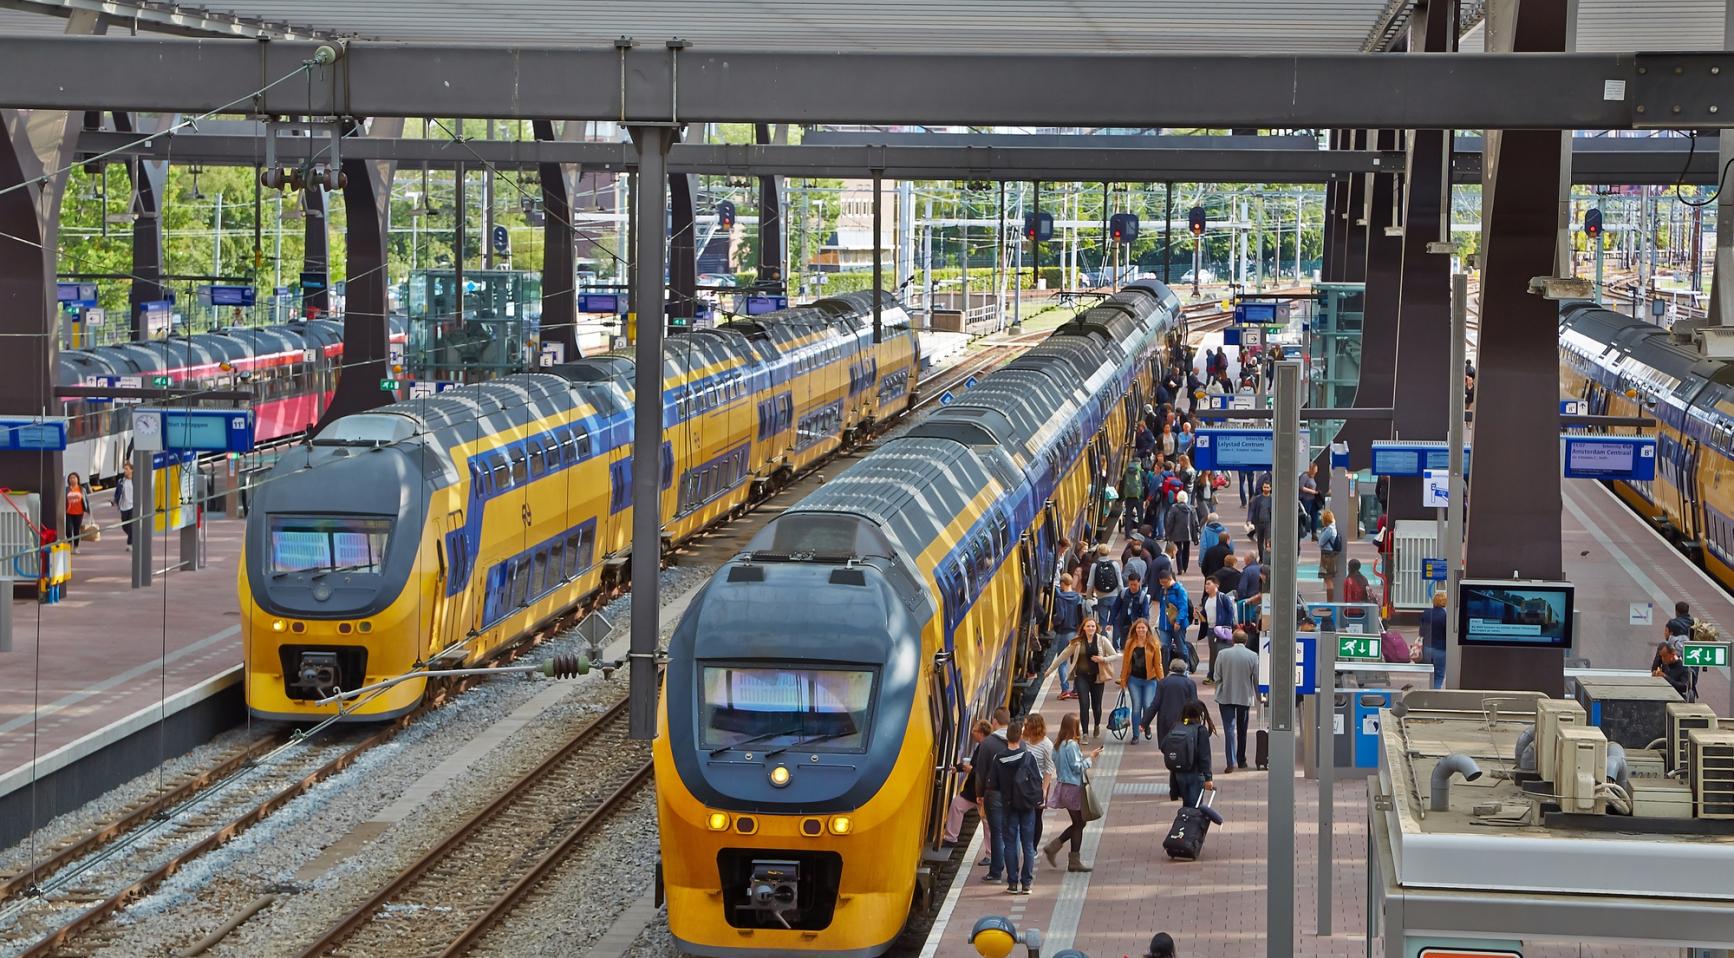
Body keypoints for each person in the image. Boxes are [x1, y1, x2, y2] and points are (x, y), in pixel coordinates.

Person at [1042, 713, 1103, 872]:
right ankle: (1070, 858)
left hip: (1063, 787)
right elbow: (1077, 767)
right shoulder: (1072, 745)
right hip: (1073, 788)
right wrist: (1091, 758)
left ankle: (1055, 848)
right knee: (1079, 823)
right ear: (1074, 727)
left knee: (1079, 823)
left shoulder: (1058, 745)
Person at [987, 718, 1039, 895]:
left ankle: (1012, 883)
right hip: (1026, 806)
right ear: (1020, 737)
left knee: (1009, 844)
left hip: (1008, 806)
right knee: (1028, 845)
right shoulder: (1028, 757)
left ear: (1007, 737)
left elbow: (993, 784)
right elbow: (1037, 780)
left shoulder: (998, 758)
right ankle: (1026, 884)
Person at [1046, 619, 1116, 742]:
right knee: (1084, 705)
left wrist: (1103, 659)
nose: (1090, 628)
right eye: (1088, 626)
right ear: (1083, 628)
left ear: (1096, 628)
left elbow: (1115, 655)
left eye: (1093, 626)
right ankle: (1085, 733)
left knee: (1097, 706)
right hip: (1081, 677)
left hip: (1097, 678)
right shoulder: (1077, 642)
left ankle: (1097, 725)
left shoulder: (1102, 640)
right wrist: (1050, 670)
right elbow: (1063, 655)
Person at [971, 708, 1012, 880]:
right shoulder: (1019, 741)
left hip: (993, 794)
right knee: (1012, 833)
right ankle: (1013, 872)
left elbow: (980, 772)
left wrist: (979, 794)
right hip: (1013, 794)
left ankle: (996, 872)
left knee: (997, 833)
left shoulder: (987, 744)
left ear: (995, 721)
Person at [1213, 629, 1259, 771]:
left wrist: (1221, 686)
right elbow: (1256, 679)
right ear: (1246, 641)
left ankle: (1230, 761)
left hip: (1225, 695)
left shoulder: (1222, 654)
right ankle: (1241, 760)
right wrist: (1259, 696)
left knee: (1229, 729)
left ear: (1232, 640)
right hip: (1244, 696)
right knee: (1242, 729)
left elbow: (1216, 676)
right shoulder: (1253, 656)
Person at [943, 721, 992, 845]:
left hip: (981, 791)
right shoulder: (983, 746)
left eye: (974, 730)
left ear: (981, 733)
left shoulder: (986, 748)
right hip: (975, 791)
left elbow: (985, 770)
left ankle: (990, 853)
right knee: (957, 806)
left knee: (987, 822)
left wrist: (971, 770)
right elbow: (973, 763)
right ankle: (950, 838)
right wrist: (958, 768)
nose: (972, 732)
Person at [1118, 618, 1166, 744]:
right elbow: (1126, 663)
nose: (1140, 630)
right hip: (1134, 680)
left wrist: (1162, 682)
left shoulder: (1154, 644)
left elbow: (1158, 664)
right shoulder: (1130, 643)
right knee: (1136, 707)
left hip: (1150, 680)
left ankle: (1146, 725)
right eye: (1138, 628)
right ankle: (1136, 735)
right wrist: (1123, 679)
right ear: (1135, 629)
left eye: (1143, 628)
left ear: (1147, 629)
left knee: (1148, 706)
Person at [1168, 700, 1217, 807]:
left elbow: (1165, 746)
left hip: (1179, 774)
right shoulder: (1200, 730)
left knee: (1186, 804)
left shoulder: (1177, 727)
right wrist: (1208, 778)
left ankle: (1185, 817)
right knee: (1195, 807)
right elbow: (1204, 756)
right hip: (1196, 774)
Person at [1023, 713, 1055, 853]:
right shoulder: (1024, 739)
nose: (1025, 729)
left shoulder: (1047, 745)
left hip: (1038, 785)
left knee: (1036, 816)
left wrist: (1044, 790)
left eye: (1027, 726)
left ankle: (1033, 847)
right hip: (1023, 784)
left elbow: (1049, 769)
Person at [1051, 574, 1085, 699]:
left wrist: (1053, 621)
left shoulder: (1060, 598)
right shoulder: (1078, 597)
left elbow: (1061, 616)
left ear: (1062, 584)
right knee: (1075, 662)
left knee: (1062, 662)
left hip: (1064, 633)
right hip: (1076, 633)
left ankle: (1065, 690)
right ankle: (1076, 690)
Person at [1195, 576, 1236, 676]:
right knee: (1213, 653)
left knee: (1221, 652)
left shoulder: (1222, 597)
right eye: (1206, 584)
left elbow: (1231, 612)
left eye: (1209, 584)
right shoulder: (1206, 599)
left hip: (1221, 630)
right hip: (1210, 630)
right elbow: (1205, 615)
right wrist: (1198, 614)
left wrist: (1225, 627)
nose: (1206, 586)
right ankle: (1212, 674)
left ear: (1216, 585)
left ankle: (1220, 674)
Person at [1153, 569, 1192, 670]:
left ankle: (1185, 669)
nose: (1163, 585)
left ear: (1170, 579)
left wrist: (1178, 621)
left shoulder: (1180, 590)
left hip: (1177, 624)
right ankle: (1165, 670)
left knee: (1181, 648)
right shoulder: (1163, 590)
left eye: (1164, 582)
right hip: (1164, 624)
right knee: (1164, 648)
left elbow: (1183, 608)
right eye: (1161, 583)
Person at [1110, 573, 1152, 650]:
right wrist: (1110, 622)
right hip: (1122, 621)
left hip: (1135, 624)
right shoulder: (1123, 593)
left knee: (1133, 644)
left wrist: (1145, 626)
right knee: (1120, 644)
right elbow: (1115, 607)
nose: (1133, 587)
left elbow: (1145, 613)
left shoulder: (1143, 596)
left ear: (1139, 583)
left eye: (1135, 585)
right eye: (1131, 584)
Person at [1419, 590, 1449, 688]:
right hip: (1440, 649)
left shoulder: (1426, 613)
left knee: (1431, 673)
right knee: (1439, 675)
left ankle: (1431, 690)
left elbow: (1421, 632)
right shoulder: (1445, 615)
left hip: (1427, 649)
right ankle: (1434, 693)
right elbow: (1448, 634)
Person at [1165, 491, 1198, 575]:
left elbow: (1169, 522)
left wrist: (1168, 533)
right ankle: (1185, 566)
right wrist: (1196, 533)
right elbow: (1195, 522)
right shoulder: (1191, 509)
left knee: (1178, 550)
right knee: (1187, 549)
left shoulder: (1174, 508)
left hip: (1176, 533)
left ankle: (1180, 568)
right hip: (1188, 532)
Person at [1087, 543, 1123, 622]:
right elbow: (1120, 583)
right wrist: (1121, 595)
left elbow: (1090, 583)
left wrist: (1089, 596)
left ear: (1098, 552)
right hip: (1114, 595)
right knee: (1115, 620)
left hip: (1101, 596)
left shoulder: (1094, 565)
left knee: (1102, 621)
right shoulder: (1114, 564)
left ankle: (1103, 630)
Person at [1317, 509, 1345, 602]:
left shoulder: (1329, 529)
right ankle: (1329, 603)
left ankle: (1329, 604)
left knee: (1328, 580)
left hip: (1327, 556)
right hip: (1330, 555)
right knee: (1328, 580)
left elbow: (1321, 542)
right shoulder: (1333, 528)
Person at [1248, 479, 1274, 563]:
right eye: (1264, 487)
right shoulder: (1258, 498)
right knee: (1260, 541)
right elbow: (1252, 509)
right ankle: (1262, 558)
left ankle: (1267, 559)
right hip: (1258, 523)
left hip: (1268, 523)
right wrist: (1249, 520)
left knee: (1268, 541)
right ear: (1262, 488)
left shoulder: (1272, 499)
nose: (1266, 489)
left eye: (1267, 487)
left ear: (1270, 488)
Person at [114, 461, 136, 549]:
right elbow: (117, 493)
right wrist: (114, 501)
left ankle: (130, 544)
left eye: (127, 469)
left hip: (133, 506)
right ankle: (134, 537)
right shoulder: (121, 481)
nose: (125, 471)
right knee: (124, 526)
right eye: (124, 469)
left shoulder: (135, 481)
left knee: (131, 526)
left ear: (131, 470)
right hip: (123, 507)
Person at [64, 473, 87, 553]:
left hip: (79, 513)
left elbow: (86, 500)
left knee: (76, 530)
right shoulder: (66, 489)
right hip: (69, 512)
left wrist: (88, 510)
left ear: (77, 479)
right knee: (68, 529)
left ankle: (76, 547)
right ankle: (70, 544)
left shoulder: (82, 489)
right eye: (70, 478)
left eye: (74, 478)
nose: (72, 479)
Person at [1299, 463, 1321, 540]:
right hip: (1306, 499)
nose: (1316, 471)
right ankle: (1303, 531)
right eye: (1315, 469)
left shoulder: (1312, 477)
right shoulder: (1305, 476)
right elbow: (1301, 487)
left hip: (1313, 499)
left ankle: (1314, 533)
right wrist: (1312, 491)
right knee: (1305, 515)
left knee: (1315, 516)